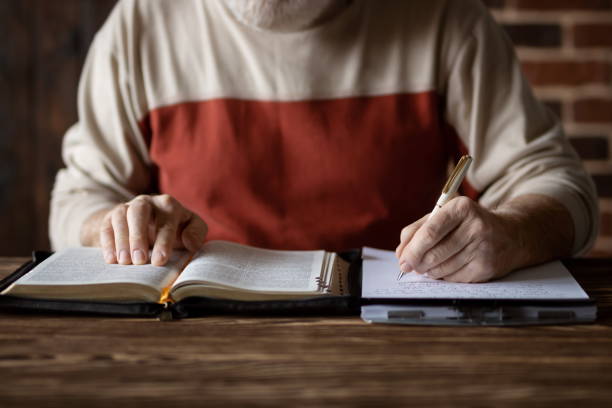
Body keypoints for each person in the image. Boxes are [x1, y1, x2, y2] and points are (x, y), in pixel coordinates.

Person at [50, 0, 599, 283]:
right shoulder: (141, 22)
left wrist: (514, 232)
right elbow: (77, 199)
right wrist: (116, 226)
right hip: (192, 336)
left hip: (399, 336)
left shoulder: (445, 17)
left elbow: (557, 182)